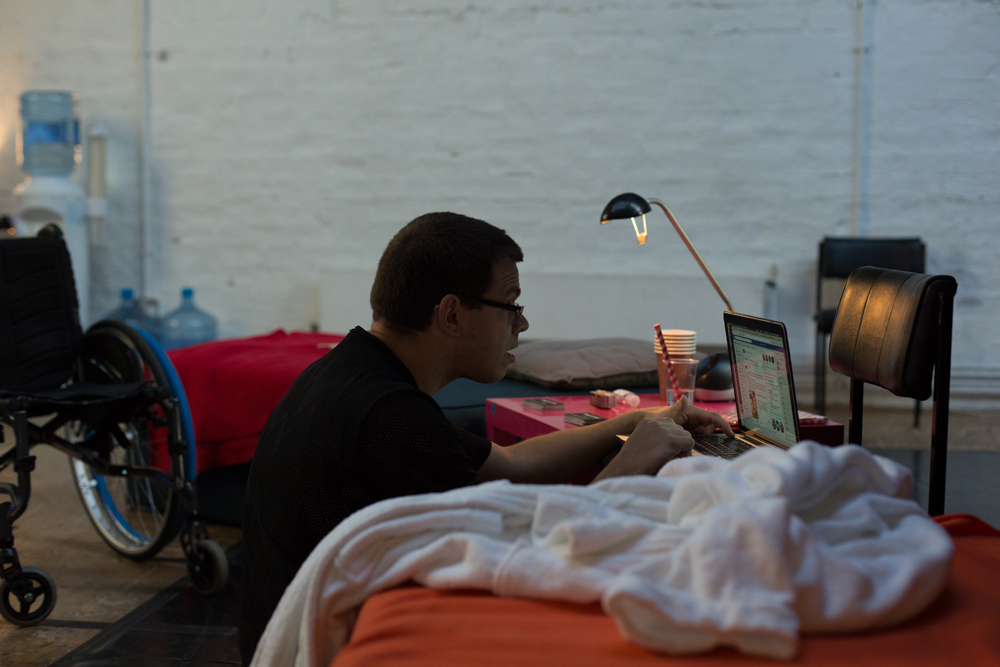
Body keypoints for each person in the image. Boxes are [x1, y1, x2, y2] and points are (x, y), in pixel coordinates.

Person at [239, 212, 732, 664]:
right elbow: (535, 556)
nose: (523, 324)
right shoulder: (390, 418)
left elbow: (510, 464)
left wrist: (636, 422)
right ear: (451, 316)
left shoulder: (351, 372)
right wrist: (633, 465)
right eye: (510, 306)